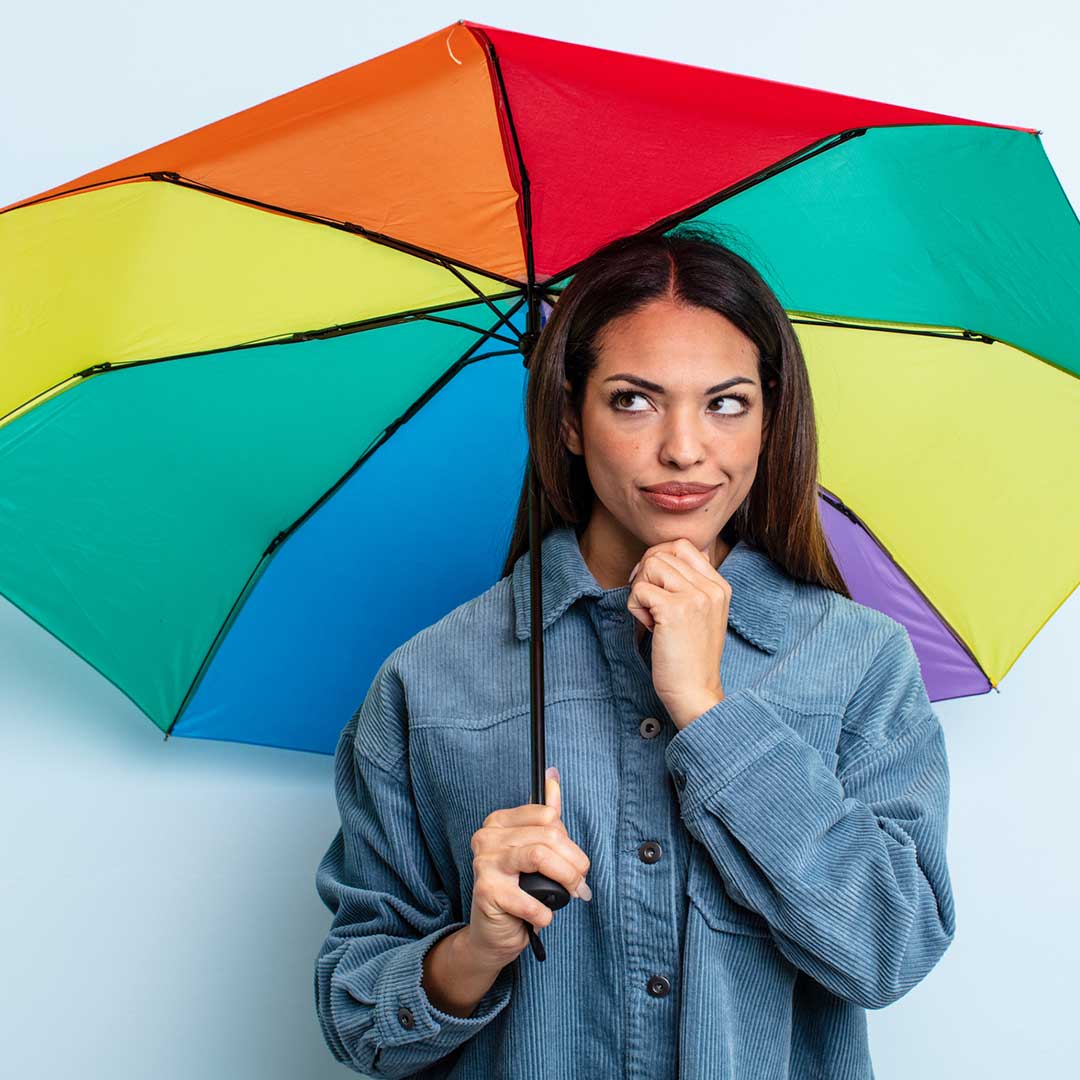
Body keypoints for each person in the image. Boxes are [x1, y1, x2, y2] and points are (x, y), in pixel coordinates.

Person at [313, 224, 957, 1079]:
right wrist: (476, 946)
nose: (685, 448)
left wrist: (706, 709)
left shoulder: (855, 659)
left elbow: (889, 949)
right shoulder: (430, 679)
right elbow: (358, 1023)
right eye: (633, 400)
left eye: (727, 403)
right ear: (571, 419)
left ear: (771, 419)